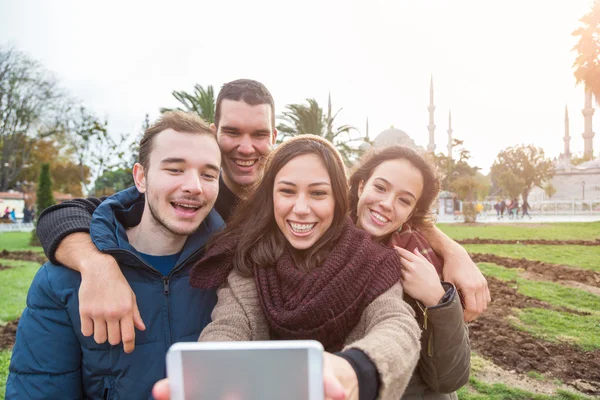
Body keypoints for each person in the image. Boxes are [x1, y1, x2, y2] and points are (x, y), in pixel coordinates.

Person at [32, 79, 489, 354]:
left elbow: (386, 209)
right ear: (215, 132)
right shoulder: (189, 197)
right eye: (231, 132)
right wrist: (97, 263)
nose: (245, 147)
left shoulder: (310, 209)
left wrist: (453, 250)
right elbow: (67, 214)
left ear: (276, 136)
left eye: (258, 134)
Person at [6, 112, 225, 398]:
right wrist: (98, 265)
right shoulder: (62, 280)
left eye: (208, 175)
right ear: (141, 177)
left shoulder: (231, 270)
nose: (194, 186)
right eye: (174, 169)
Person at [189, 135, 422, 399]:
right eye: (287, 191)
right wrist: (215, 371)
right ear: (271, 196)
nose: (301, 208)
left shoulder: (373, 261)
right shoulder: (250, 260)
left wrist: (355, 369)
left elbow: (397, 324)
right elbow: (229, 326)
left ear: (338, 200)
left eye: (318, 193)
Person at [349, 146, 469, 399]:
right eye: (380, 188)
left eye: (404, 200)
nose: (386, 204)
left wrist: (438, 299)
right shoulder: (321, 245)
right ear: (361, 187)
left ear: (412, 212)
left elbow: (450, 377)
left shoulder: (424, 263)